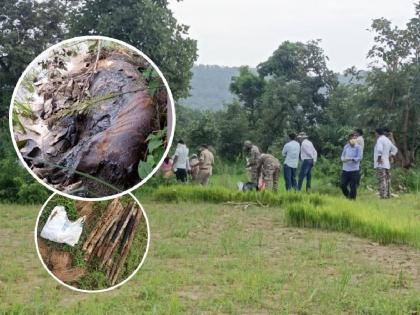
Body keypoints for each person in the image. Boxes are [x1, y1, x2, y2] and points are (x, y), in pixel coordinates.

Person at [374, 128, 398, 199]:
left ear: (377, 133)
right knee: (387, 179)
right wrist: (390, 155)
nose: (375, 135)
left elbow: (380, 149)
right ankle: (388, 194)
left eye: (375, 133)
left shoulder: (380, 140)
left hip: (380, 163)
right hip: (387, 163)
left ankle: (383, 195)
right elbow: (395, 149)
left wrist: (379, 158)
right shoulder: (387, 140)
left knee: (382, 179)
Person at [340, 133, 363, 199]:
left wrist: (352, 159)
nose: (353, 140)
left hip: (354, 169)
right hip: (345, 169)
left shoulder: (358, 147)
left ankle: (352, 200)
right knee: (343, 185)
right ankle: (348, 195)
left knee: (353, 186)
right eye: (352, 138)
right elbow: (342, 156)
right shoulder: (346, 146)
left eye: (355, 138)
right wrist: (343, 159)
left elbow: (360, 157)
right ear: (349, 139)